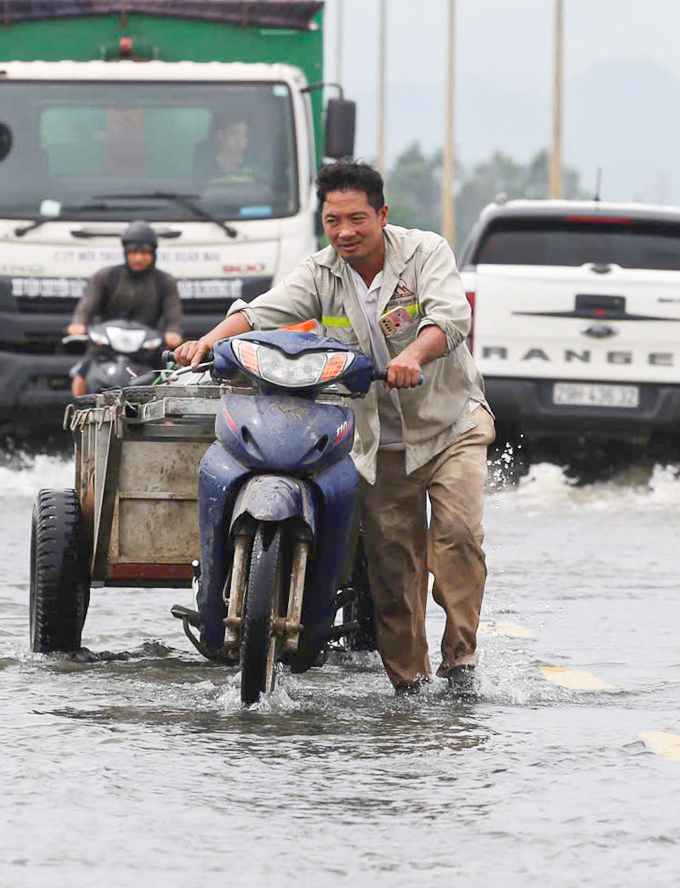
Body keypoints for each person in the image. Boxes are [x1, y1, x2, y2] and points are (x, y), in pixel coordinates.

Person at [174, 161, 494, 694]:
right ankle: (410, 687)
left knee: (457, 535)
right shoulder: (321, 271)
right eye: (332, 221)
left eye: (356, 219)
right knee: (392, 570)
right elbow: (260, 314)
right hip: (376, 443)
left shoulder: (424, 253)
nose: (345, 232)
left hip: (449, 425)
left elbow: (450, 318)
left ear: (382, 215)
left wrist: (413, 355)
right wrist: (208, 341)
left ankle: (460, 659)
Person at [68, 220, 185, 397]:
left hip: (146, 346)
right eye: (133, 252)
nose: (138, 258)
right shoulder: (106, 276)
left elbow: (173, 312)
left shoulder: (165, 281)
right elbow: (87, 304)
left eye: (145, 253)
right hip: (107, 344)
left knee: (170, 378)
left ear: (153, 253)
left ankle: (166, 418)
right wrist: (79, 322)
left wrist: (173, 331)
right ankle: (79, 415)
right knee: (80, 375)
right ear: (125, 253)